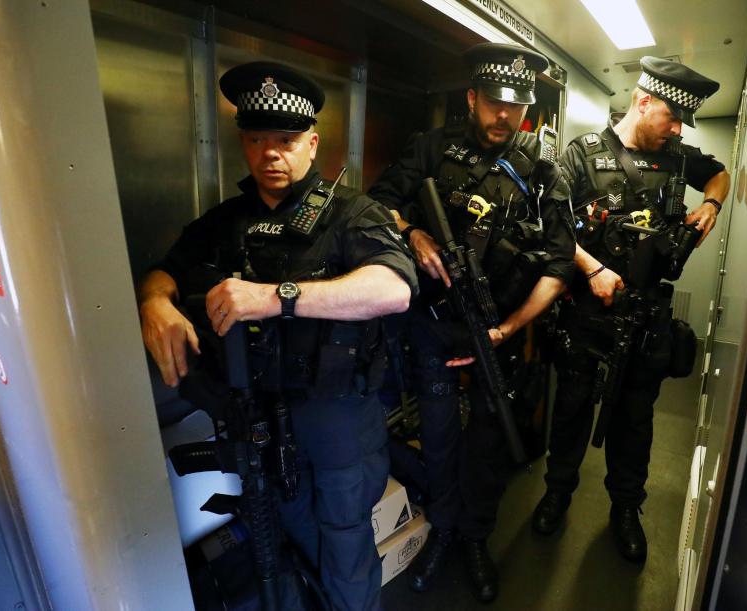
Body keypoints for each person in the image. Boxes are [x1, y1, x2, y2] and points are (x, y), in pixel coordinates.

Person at [137, 62, 418, 611]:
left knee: (344, 546)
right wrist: (154, 300)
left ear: (312, 144)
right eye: (257, 139)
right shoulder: (226, 221)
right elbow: (166, 266)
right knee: (287, 539)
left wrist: (273, 295)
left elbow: (393, 288)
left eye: (286, 140)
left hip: (337, 420)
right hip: (260, 416)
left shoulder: (351, 214)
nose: (271, 153)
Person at [368, 43, 575, 602]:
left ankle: (476, 536)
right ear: (472, 98)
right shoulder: (430, 149)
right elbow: (374, 204)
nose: (505, 116)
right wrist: (411, 232)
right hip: (433, 324)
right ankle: (442, 527)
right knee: (436, 434)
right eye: (494, 103)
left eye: (517, 105)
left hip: (496, 331)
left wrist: (509, 329)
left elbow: (559, 266)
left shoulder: (544, 168)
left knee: (487, 441)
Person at [530, 56, 731, 564]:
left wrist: (710, 205)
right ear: (644, 103)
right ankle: (557, 493)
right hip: (587, 315)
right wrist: (593, 268)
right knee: (572, 410)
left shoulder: (679, 158)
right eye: (673, 117)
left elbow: (722, 176)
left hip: (645, 321)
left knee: (635, 422)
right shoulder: (582, 155)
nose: (678, 129)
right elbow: (553, 225)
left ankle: (625, 508)